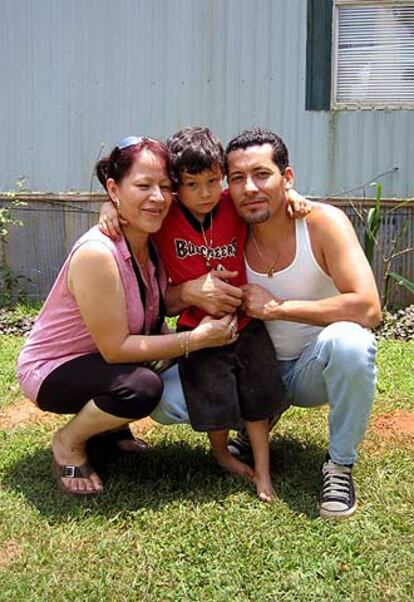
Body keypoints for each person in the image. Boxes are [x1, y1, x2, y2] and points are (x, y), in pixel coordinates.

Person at [177, 128, 382, 519]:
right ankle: (257, 417)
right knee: (171, 401)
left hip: (310, 369)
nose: (249, 188)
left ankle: (339, 466)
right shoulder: (223, 222)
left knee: (351, 343)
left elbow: (369, 308)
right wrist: (109, 209)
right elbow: (167, 199)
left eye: (262, 175)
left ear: (287, 179)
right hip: (253, 368)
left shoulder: (322, 224)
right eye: (237, 178)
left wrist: (279, 308)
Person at [16, 136, 236, 497]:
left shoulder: (151, 237)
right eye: (143, 186)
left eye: (165, 187)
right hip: (54, 368)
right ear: (114, 189)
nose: (158, 197)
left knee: (169, 360)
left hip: (98, 358)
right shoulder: (98, 254)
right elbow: (117, 349)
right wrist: (194, 340)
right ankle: (68, 442)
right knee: (142, 387)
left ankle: (111, 429)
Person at [99, 127, 311, 502]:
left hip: (246, 324)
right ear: (176, 186)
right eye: (192, 185)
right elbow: (129, 206)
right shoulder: (164, 216)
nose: (205, 193)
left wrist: (291, 195)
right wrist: (108, 208)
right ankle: (220, 452)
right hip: (198, 327)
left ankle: (263, 472)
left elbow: (265, 196)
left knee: (258, 396)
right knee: (215, 397)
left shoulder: (232, 204)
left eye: (213, 181)